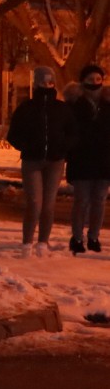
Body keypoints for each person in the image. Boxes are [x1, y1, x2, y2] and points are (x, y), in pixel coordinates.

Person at [6, 66, 78, 257]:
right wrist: (26, 146)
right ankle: (27, 242)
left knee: (48, 203)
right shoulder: (26, 108)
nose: (47, 86)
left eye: (50, 82)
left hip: (55, 161)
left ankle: (43, 242)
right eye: (43, 82)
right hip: (32, 161)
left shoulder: (61, 109)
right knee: (35, 201)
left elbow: (72, 132)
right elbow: (13, 134)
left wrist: (63, 147)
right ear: (36, 83)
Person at [63, 65, 110, 255]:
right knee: (81, 200)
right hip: (82, 158)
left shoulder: (107, 104)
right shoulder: (74, 104)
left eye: (98, 79)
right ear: (83, 81)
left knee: (99, 200)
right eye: (91, 79)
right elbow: (69, 130)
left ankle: (94, 236)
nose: (94, 83)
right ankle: (76, 237)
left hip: (105, 160)